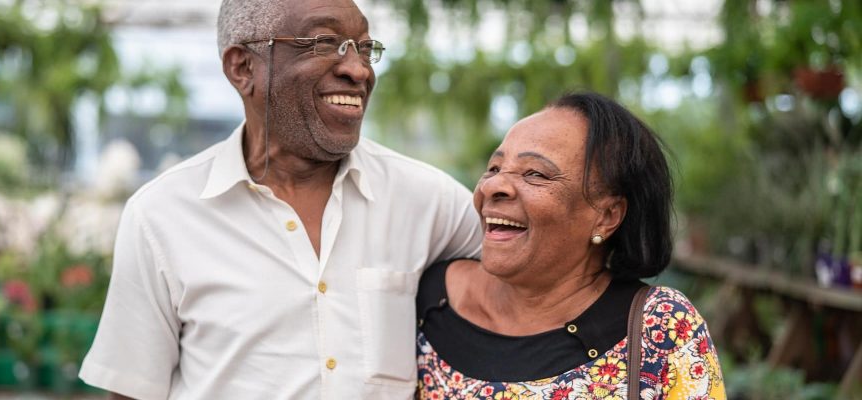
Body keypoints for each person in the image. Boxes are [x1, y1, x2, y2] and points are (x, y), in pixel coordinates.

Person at [78, 0, 482, 399]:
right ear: (243, 67)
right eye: (324, 43)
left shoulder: (431, 202)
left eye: (363, 47)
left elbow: (533, 287)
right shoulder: (162, 214)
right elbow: (134, 390)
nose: (358, 69)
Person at [415, 92, 726, 399]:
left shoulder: (661, 326)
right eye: (495, 168)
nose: (492, 186)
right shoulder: (426, 300)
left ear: (606, 216)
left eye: (535, 173)